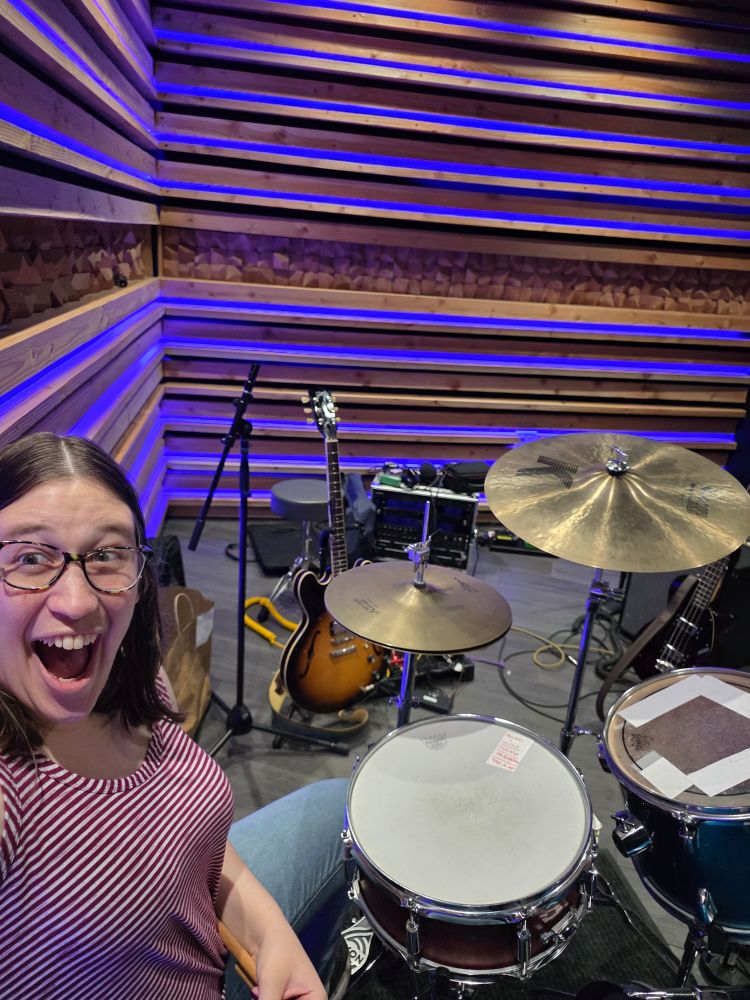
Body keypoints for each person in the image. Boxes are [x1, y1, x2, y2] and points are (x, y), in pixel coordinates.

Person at [0, 432, 349, 1000]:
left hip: (199, 935)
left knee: (339, 803)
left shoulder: (128, 673)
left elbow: (187, 839)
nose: (78, 601)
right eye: (30, 558)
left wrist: (268, 932)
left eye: (107, 554)